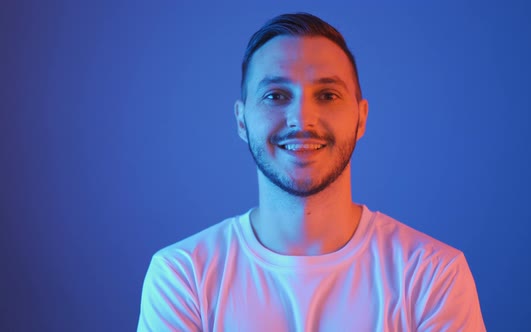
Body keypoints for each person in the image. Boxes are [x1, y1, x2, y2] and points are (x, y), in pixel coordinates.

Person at [137, 12, 486, 331]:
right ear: (241, 120)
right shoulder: (183, 276)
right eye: (275, 96)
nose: (302, 119)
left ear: (361, 118)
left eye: (328, 95)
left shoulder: (432, 276)